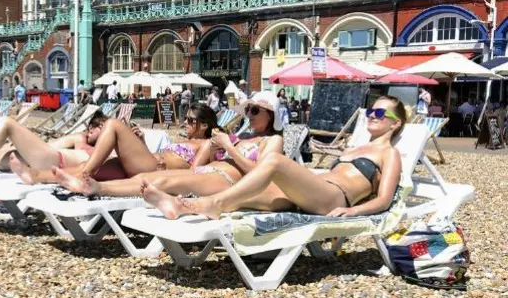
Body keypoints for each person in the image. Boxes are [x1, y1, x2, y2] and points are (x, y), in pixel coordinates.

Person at [142, 95, 406, 220]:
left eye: (381, 114)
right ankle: (184, 207)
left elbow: (384, 199)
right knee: (236, 191)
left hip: (334, 198)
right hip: (311, 191)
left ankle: (208, 205)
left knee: (275, 161)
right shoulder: (353, 149)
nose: (373, 115)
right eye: (372, 110)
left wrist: (353, 210)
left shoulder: (389, 153)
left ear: (395, 124)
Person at [58, 91, 284, 198]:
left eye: (255, 110)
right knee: (141, 178)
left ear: (272, 115)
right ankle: (42, 175)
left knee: (159, 179)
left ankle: (95, 187)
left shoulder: (273, 140)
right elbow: (197, 166)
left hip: (221, 181)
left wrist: (229, 147)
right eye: (247, 109)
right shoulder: (242, 138)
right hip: (201, 172)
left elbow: (261, 173)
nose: (249, 115)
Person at [11, 103, 221, 185]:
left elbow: (195, 174)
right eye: (186, 118)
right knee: (90, 168)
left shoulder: (205, 145)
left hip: (153, 170)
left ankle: (84, 174)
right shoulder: (185, 140)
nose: (185, 122)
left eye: (191, 120)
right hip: (147, 162)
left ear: (204, 125)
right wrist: (140, 142)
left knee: (113, 124)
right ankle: (36, 176)